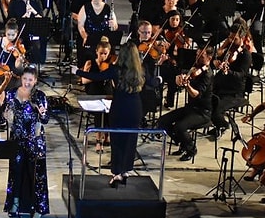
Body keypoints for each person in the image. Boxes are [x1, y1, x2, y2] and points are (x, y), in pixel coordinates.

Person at [73, 41, 145, 185]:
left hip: (119, 109)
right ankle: (126, 170)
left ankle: (117, 172)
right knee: (131, 140)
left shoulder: (115, 69)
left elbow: (96, 77)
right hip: (135, 109)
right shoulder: (140, 71)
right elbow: (153, 82)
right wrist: (160, 79)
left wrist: (77, 71)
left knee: (117, 140)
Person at [2, 66, 49, 218]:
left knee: (37, 175)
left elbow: (45, 120)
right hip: (16, 139)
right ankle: (15, 204)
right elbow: (4, 114)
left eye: (30, 80)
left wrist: (42, 113)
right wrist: (6, 116)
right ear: (21, 79)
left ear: (35, 81)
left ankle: (38, 208)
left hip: (35, 141)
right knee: (16, 173)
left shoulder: (39, 96)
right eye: (25, 79)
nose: (27, 82)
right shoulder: (11, 93)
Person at [157, 47, 214, 161]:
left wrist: (187, 85)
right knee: (163, 120)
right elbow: (183, 78)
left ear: (209, 58)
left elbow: (196, 94)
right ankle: (181, 142)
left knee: (180, 126)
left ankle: (191, 149)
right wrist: (180, 79)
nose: (197, 58)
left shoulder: (207, 74)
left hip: (202, 112)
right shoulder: (195, 69)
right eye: (197, 54)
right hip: (190, 108)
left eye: (201, 56)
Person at [208, 21, 252, 139]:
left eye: (235, 39)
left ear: (242, 38)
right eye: (230, 38)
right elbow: (216, 60)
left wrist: (229, 72)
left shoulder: (246, 55)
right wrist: (215, 62)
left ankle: (223, 125)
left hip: (234, 91)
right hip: (220, 84)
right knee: (204, 99)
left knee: (217, 107)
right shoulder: (229, 49)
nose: (231, 41)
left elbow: (241, 75)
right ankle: (216, 122)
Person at [80, 37, 115, 147]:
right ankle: (98, 139)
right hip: (94, 92)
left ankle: (108, 135)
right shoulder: (90, 63)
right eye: (101, 53)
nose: (103, 56)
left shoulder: (111, 65)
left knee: (111, 108)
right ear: (96, 52)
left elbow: (114, 82)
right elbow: (84, 80)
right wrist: (98, 77)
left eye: (105, 54)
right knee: (100, 110)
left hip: (107, 92)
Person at [76, 0, 117, 68]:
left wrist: (113, 25)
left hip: (104, 39)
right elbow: (80, 26)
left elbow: (115, 27)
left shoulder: (107, 8)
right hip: (89, 36)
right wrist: (84, 37)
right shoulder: (85, 7)